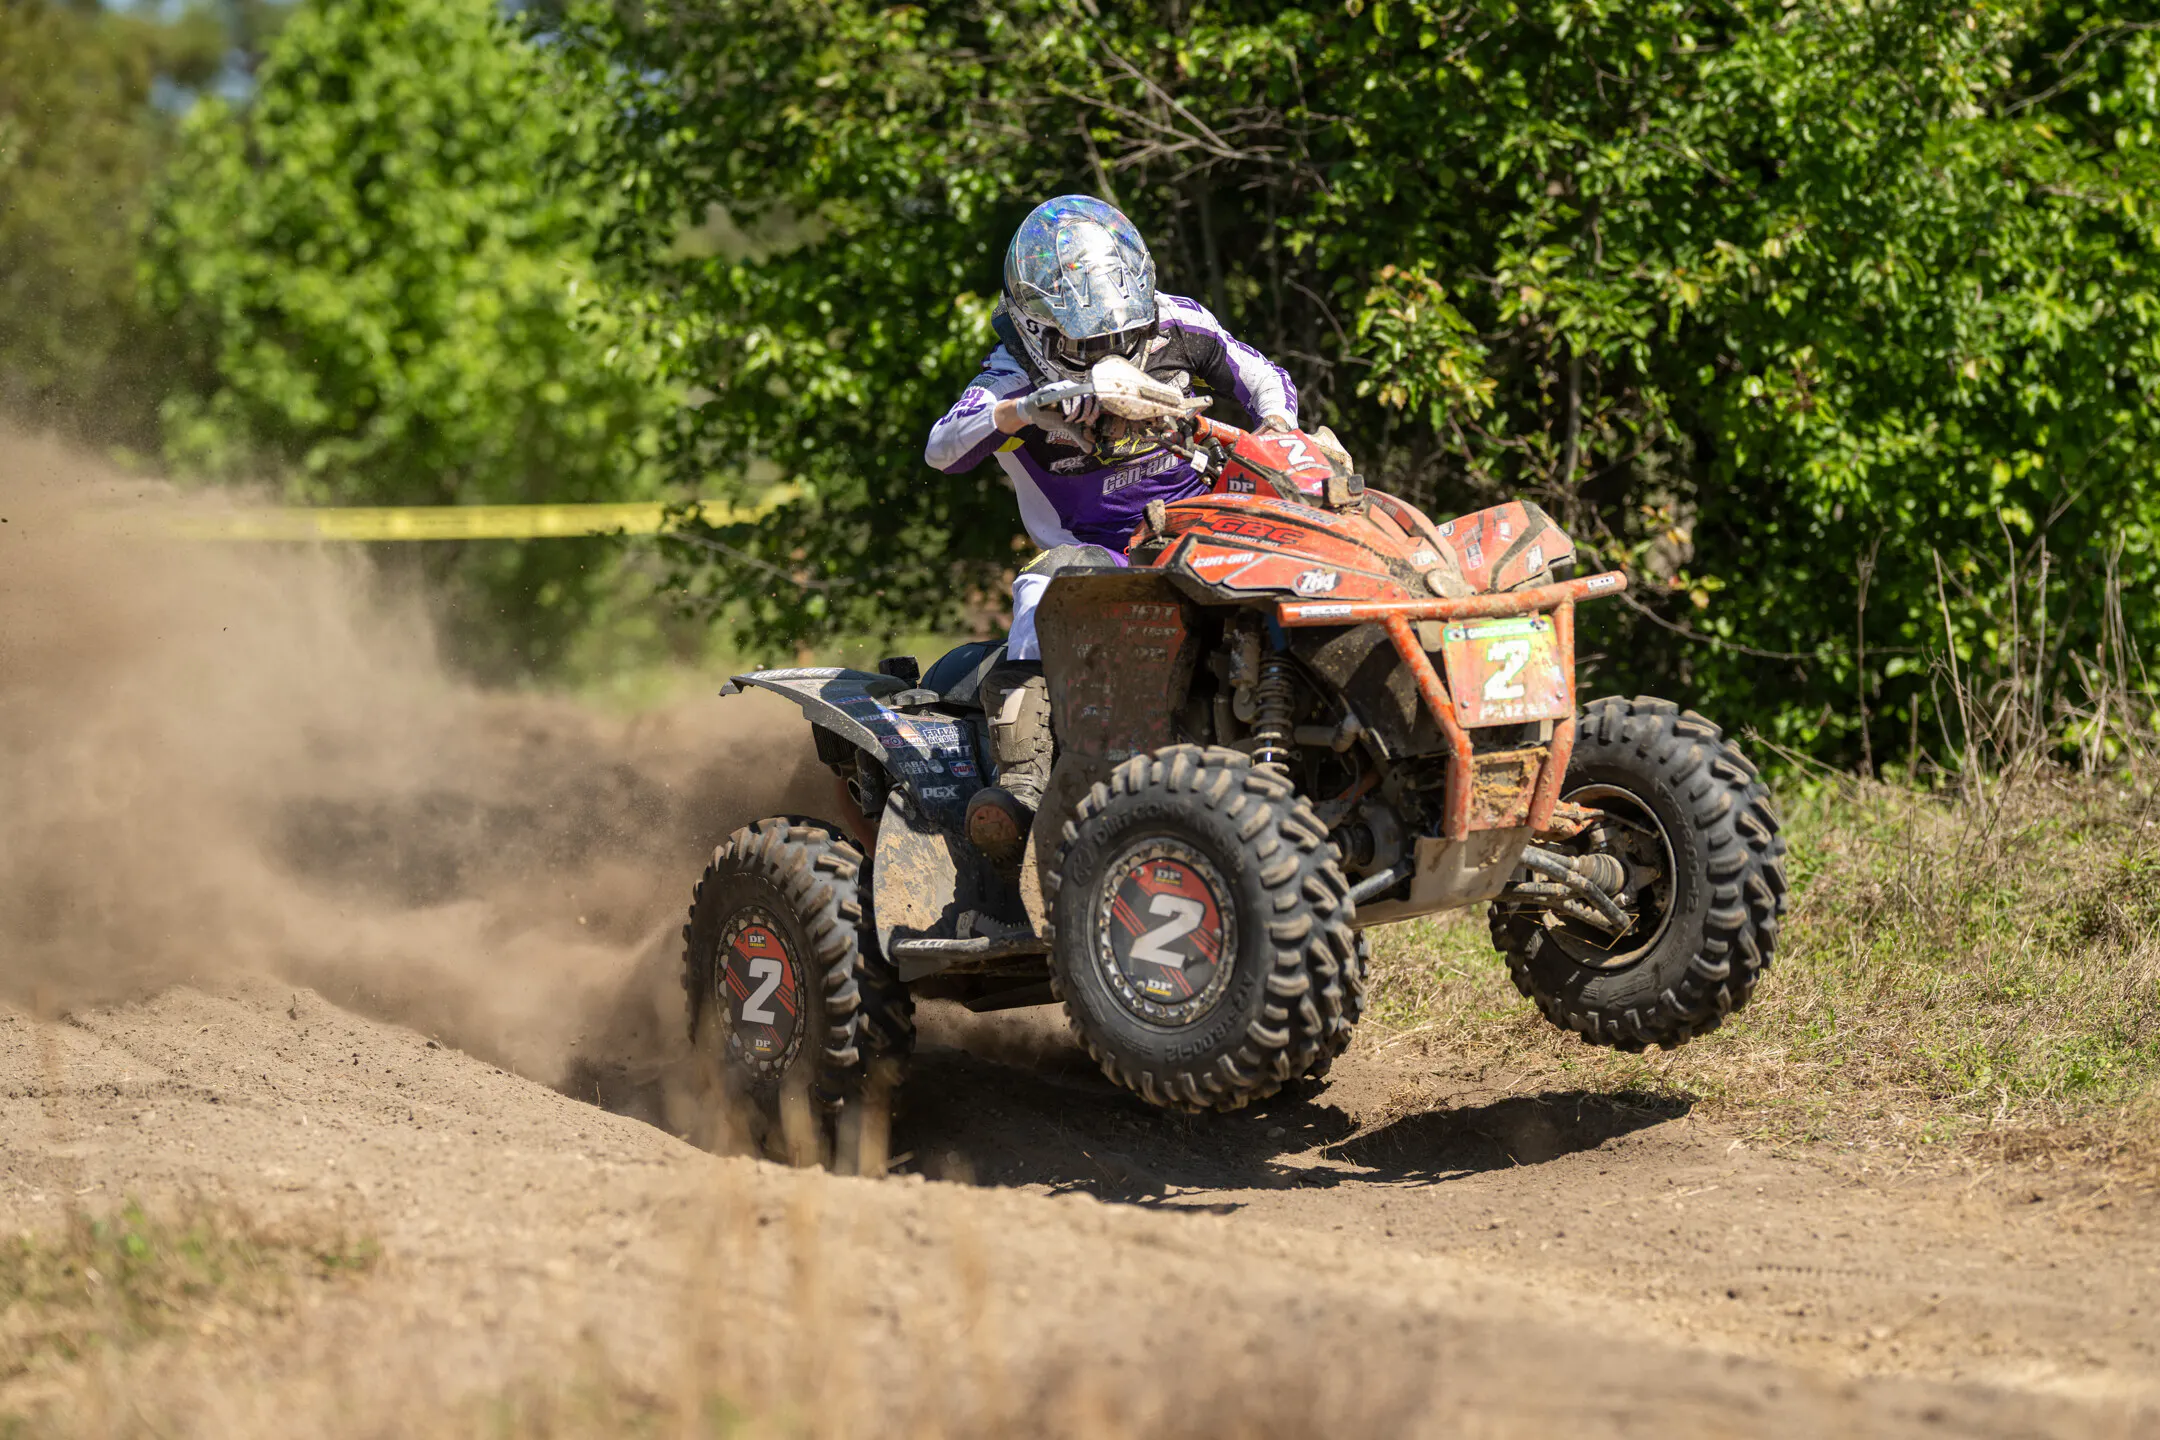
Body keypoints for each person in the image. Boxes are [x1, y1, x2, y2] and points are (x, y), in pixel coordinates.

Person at [924, 195, 1301, 859]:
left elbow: (1263, 375)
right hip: (1096, 555)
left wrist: (1275, 429)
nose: (1110, 350)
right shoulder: (1009, 373)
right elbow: (942, 448)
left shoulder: (1179, 324)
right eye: (1087, 342)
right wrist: (1022, 411)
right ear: (1038, 327)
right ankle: (1023, 782)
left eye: (1121, 334)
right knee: (1041, 590)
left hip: (1204, 523)